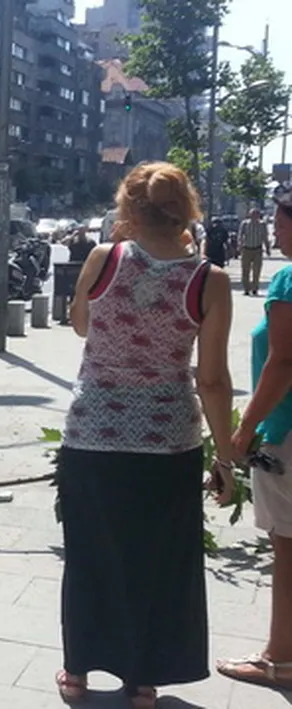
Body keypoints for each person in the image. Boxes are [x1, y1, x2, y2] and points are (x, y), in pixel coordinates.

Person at [55, 162, 236, 708]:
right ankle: (142, 682)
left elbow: (81, 324)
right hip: (167, 442)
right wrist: (225, 457)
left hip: (92, 436)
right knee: (157, 560)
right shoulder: (209, 280)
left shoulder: (103, 259)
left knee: (90, 555)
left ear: (128, 209)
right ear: (187, 211)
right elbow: (212, 379)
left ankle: (79, 670)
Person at [216, 182, 292, 690]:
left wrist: (244, 429)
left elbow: (283, 361)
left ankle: (280, 659)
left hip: (286, 433)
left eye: (282, 221)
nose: (276, 228)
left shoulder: (287, 281)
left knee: (286, 547)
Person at [240, 207, 272, 296]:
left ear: (258, 215)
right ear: (250, 215)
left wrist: (268, 248)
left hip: (257, 250)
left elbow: (265, 237)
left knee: (256, 270)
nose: (254, 216)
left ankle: (255, 288)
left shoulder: (262, 224)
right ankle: (246, 288)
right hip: (246, 249)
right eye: (253, 214)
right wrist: (239, 247)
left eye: (256, 214)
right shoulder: (245, 224)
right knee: (245, 270)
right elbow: (240, 236)